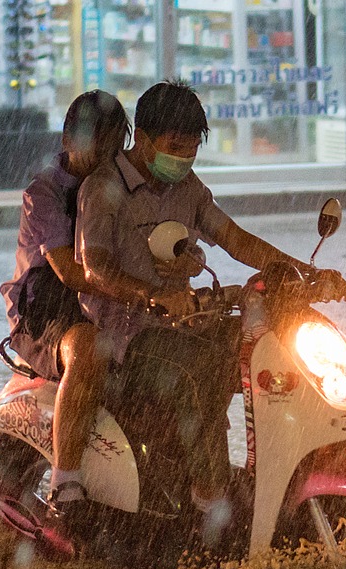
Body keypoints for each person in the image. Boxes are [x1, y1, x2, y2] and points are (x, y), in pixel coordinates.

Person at [75, 79, 328, 527]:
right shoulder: (103, 188)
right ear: (145, 139)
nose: (184, 159)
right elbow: (94, 269)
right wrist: (151, 295)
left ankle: (279, 476)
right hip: (124, 339)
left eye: (192, 149)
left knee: (269, 349)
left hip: (184, 326)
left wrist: (301, 273)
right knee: (202, 370)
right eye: (175, 146)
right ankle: (210, 500)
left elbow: (233, 238)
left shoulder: (187, 188)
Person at [0, 90, 131, 521]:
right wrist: (141, 292)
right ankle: (65, 479)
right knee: (89, 349)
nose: (104, 158)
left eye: (114, 147)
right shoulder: (46, 193)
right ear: (68, 139)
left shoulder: (124, 188)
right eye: (97, 145)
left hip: (105, 296)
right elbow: (70, 274)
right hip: (46, 306)